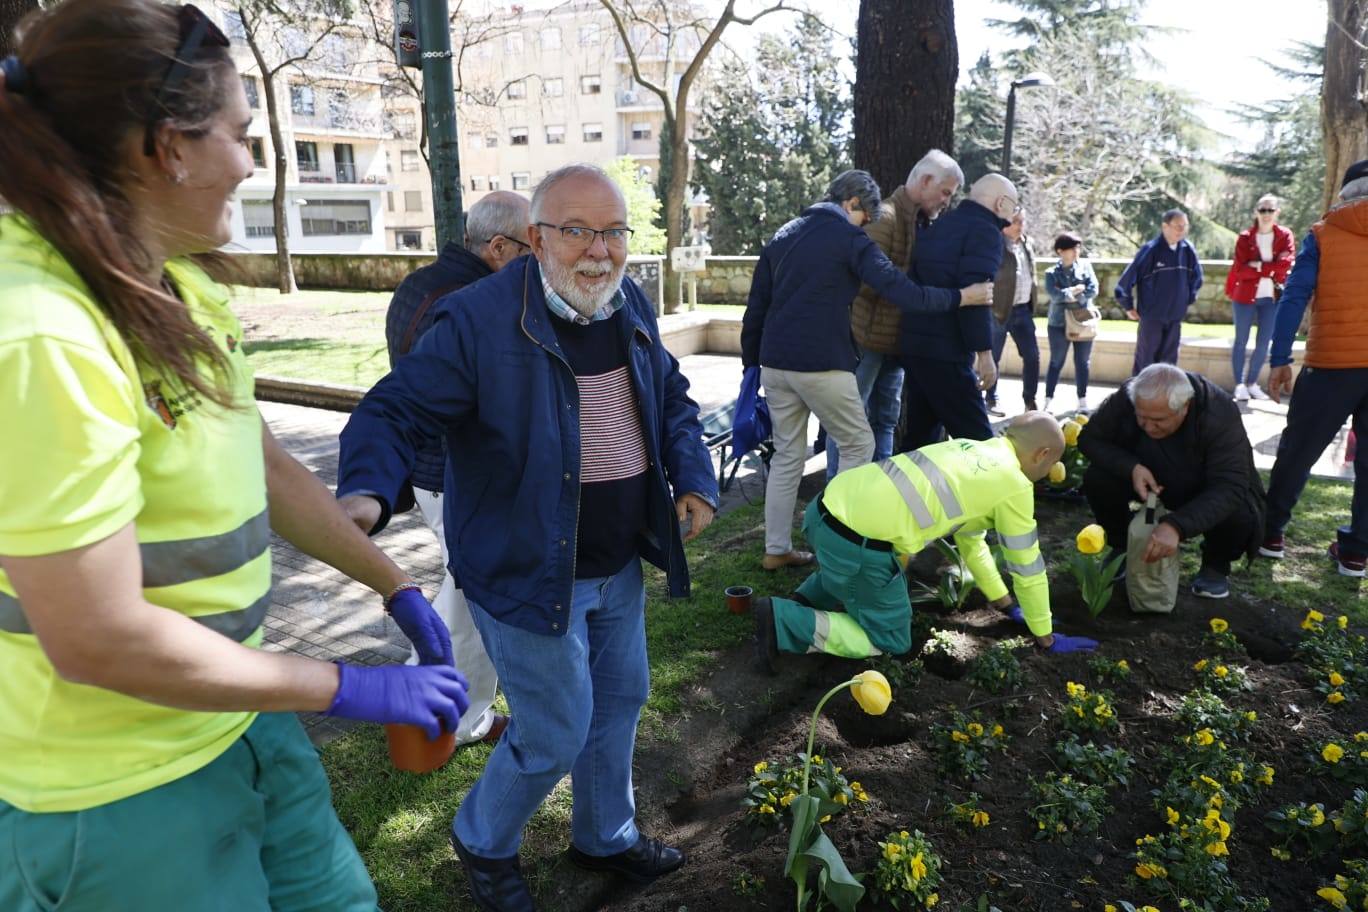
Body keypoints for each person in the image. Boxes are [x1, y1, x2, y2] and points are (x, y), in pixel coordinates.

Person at [0, 4, 470, 910]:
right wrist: (345, 687)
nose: (250, 164)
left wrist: (393, 583)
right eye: (239, 134)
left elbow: (262, 462)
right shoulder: (40, 331)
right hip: (115, 794)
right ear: (166, 147)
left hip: (237, 725)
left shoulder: (165, 277)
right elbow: (96, 636)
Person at [336, 163, 720, 911]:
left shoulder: (626, 299)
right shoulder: (479, 319)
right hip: (528, 569)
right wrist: (367, 494)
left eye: (612, 232)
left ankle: (605, 833)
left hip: (616, 561)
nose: (598, 251)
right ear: (536, 239)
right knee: (553, 729)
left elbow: (669, 394)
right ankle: (483, 837)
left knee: (620, 699)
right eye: (577, 231)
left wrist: (695, 475)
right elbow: (395, 409)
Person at [742, 170, 992, 572]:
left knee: (788, 455)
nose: (864, 225)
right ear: (852, 204)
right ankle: (843, 541)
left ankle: (776, 548)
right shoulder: (849, 238)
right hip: (822, 361)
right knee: (860, 444)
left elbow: (757, 305)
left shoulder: (785, 233)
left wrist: (750, 364)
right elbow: (901, 291)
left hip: (775, 361)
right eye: (863, 217)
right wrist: (963, 296)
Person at [752, 413, 1097, 668]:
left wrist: (1005, 604)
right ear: (1041, 455)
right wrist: (1045, 636)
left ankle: (804, 598)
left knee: (855, 568)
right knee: (890, 640)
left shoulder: (968, 448)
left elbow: (972, 543)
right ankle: (784, 620)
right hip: (855, 542)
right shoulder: (1014, 485)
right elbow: (1028, 568)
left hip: (824, 511)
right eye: (1051, 463)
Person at [382, 191, 530, 749]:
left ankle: (419, 677)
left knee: (462, 583)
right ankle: (461, 716)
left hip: (432, 472)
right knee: (475, 594)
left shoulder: (419, 282)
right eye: (531, 247)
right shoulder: (479, 299)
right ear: (498, 247)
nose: (538, 261)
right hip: (457, 474)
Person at [829, 149, 965, 479]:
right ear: (925, 180)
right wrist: (911, 285)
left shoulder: (918, 222)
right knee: (849, 421)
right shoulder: (886, 218)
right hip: (865, 343)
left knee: (885, 420)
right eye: (945, 192)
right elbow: (864, 281)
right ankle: (837, 498)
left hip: (894, 345)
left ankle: (878, 492)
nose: (947, 201)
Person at [1261, 160, 1368, 576]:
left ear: (1344, 193)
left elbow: (1294, 298)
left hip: (1331, 365)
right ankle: (1357, 552)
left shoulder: (1323, 233)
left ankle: (1271, 533)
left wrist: (1280, 358)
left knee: (1298, 451)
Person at [1078, 365, 1264, 599]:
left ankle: (1215, 566)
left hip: (1201, 485)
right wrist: (1130, 467)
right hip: (1147, 476)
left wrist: (1177, 526)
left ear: (1185, 407)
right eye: (1140, 417)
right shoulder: (1129, 395)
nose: (1147, 427)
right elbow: (1089, 439)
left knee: (1240, 509)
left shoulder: (1218, 411)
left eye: (1158, 420)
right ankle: (1122, 547)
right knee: (1098, 477)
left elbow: (1230, 484)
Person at [899, 173, 1021, 450]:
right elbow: (977, 294)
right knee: (979, 442)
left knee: (921, 440)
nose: (1013, 214)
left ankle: (907, 492)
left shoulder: (942, 224)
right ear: (1001, 202)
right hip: (947, 350)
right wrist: (985, 354)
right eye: (1014, 205)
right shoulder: (985, 232)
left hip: (915, 344)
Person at [1224, 194, 1295, 401]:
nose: (1266, 214)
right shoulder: (1245, 237)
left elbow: (1287, 263)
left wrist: (1258, 266)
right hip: (1244, 296)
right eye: (1262, 210)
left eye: (1270, 210)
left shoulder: (1284, 235)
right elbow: (1240, 270)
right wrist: (1271, 267)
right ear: (1256, 212)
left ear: (1277, 212)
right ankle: (1239, 384)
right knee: (1241, 341)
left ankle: (1252, 383)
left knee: (1264, 343)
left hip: (1271, 298)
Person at [1115, 209, 1204, 374]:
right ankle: (1138, 398)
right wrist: (1127, 306)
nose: (1181, 230)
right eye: (1177, 226)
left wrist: (1186, 300)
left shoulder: (1188, 250)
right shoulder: (1150, 250)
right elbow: (1125, 281)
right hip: (1152, 316)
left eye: (1184, 226)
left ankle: (1164, 399)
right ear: (1165, 226)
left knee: (1168, 365)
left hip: (1175, 316)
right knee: (1146, 361)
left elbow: (1197, 278)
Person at [986, 210, 1040, 416]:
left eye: (1022, 221)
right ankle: (991, 398)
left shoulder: (1027, 244)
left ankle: (1030, 400)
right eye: (1015, 221)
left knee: (1032, 356)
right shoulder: (995, 244)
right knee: (993, 356)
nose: (1019, 225)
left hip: (1023, 310)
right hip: (999, 310)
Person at [1042, 231, 1100, 412]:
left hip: (1083, 323)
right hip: (1058, 323)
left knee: (1082, 362)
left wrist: (1074, 296)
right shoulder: (1051, 273)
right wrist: (1074, 290)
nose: (1076, 251)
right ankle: (1048, 401)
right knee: (1056, 362)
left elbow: (1093, 289)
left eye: (1077, 247)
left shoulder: (1085, 266)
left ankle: (1082, 401)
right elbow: (1054, 295)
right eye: (1071, 248)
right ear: (1060, 251)